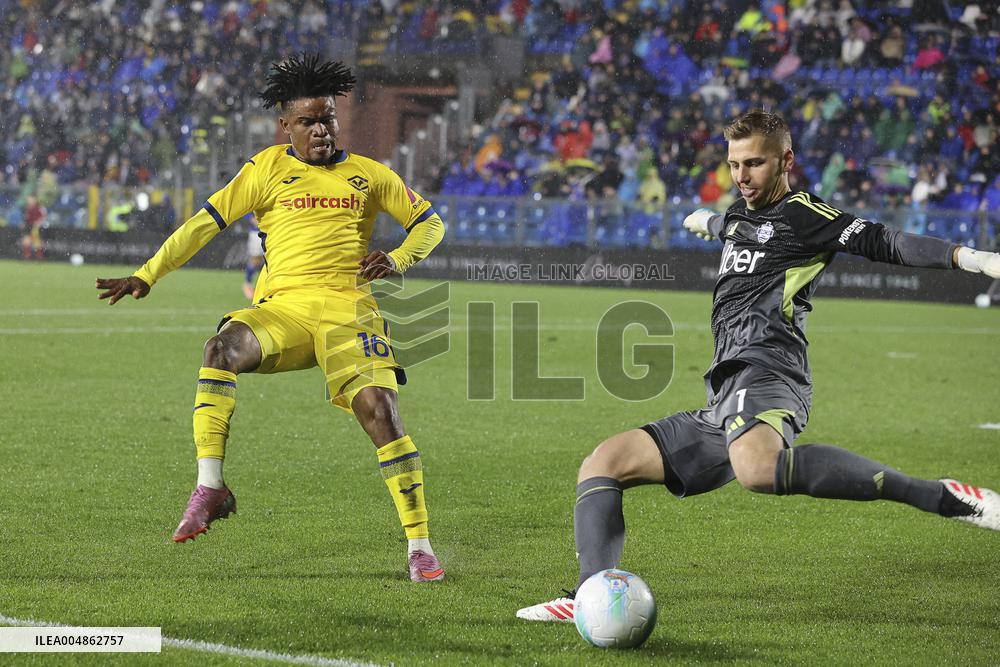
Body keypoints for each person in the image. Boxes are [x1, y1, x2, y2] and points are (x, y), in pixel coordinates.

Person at [516, 110, 1000, 622]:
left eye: (755, 164)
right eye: (733, 165)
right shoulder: (740, 213)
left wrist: (974, 260)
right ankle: (589, 596)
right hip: (724, 392)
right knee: (603, 463)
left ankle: (944, 496)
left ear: (786, 160)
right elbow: (734, 225)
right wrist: (707, 222)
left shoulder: (803, 214)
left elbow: (887, 243)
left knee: (756, 469)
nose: (742, 176)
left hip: (769, 370)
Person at [95, 54, 447, 583]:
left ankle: (419, 547)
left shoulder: (370, 176)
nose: (321, 129)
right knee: (219, 349)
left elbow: (430, 223)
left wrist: (397, 258)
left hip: (350, 313)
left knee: (381, 413)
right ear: (287, 126)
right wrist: (148, 273)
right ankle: (210, 486)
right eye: (308, 121)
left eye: (327, 117)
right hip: (283, 311)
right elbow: (202, 224)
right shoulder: (264, 170)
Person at [241, 212, 264, 300]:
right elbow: (249, 214)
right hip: (256, 234)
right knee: (255, 260)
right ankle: (248, 284)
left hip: (271, 233)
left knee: (270, 260)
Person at [20, 195, 45, 260]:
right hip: (28, 226)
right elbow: (26, 218)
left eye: (30, 199)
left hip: (35, 227)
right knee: (26, 241)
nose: (28, 200)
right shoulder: (27, 207)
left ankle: (40, 257)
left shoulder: (39, 207)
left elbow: (44, 216)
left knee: (36, 242)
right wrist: (23, 223)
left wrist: (38, 222)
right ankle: (27, 257)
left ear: (34, 199)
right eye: (28, 199)